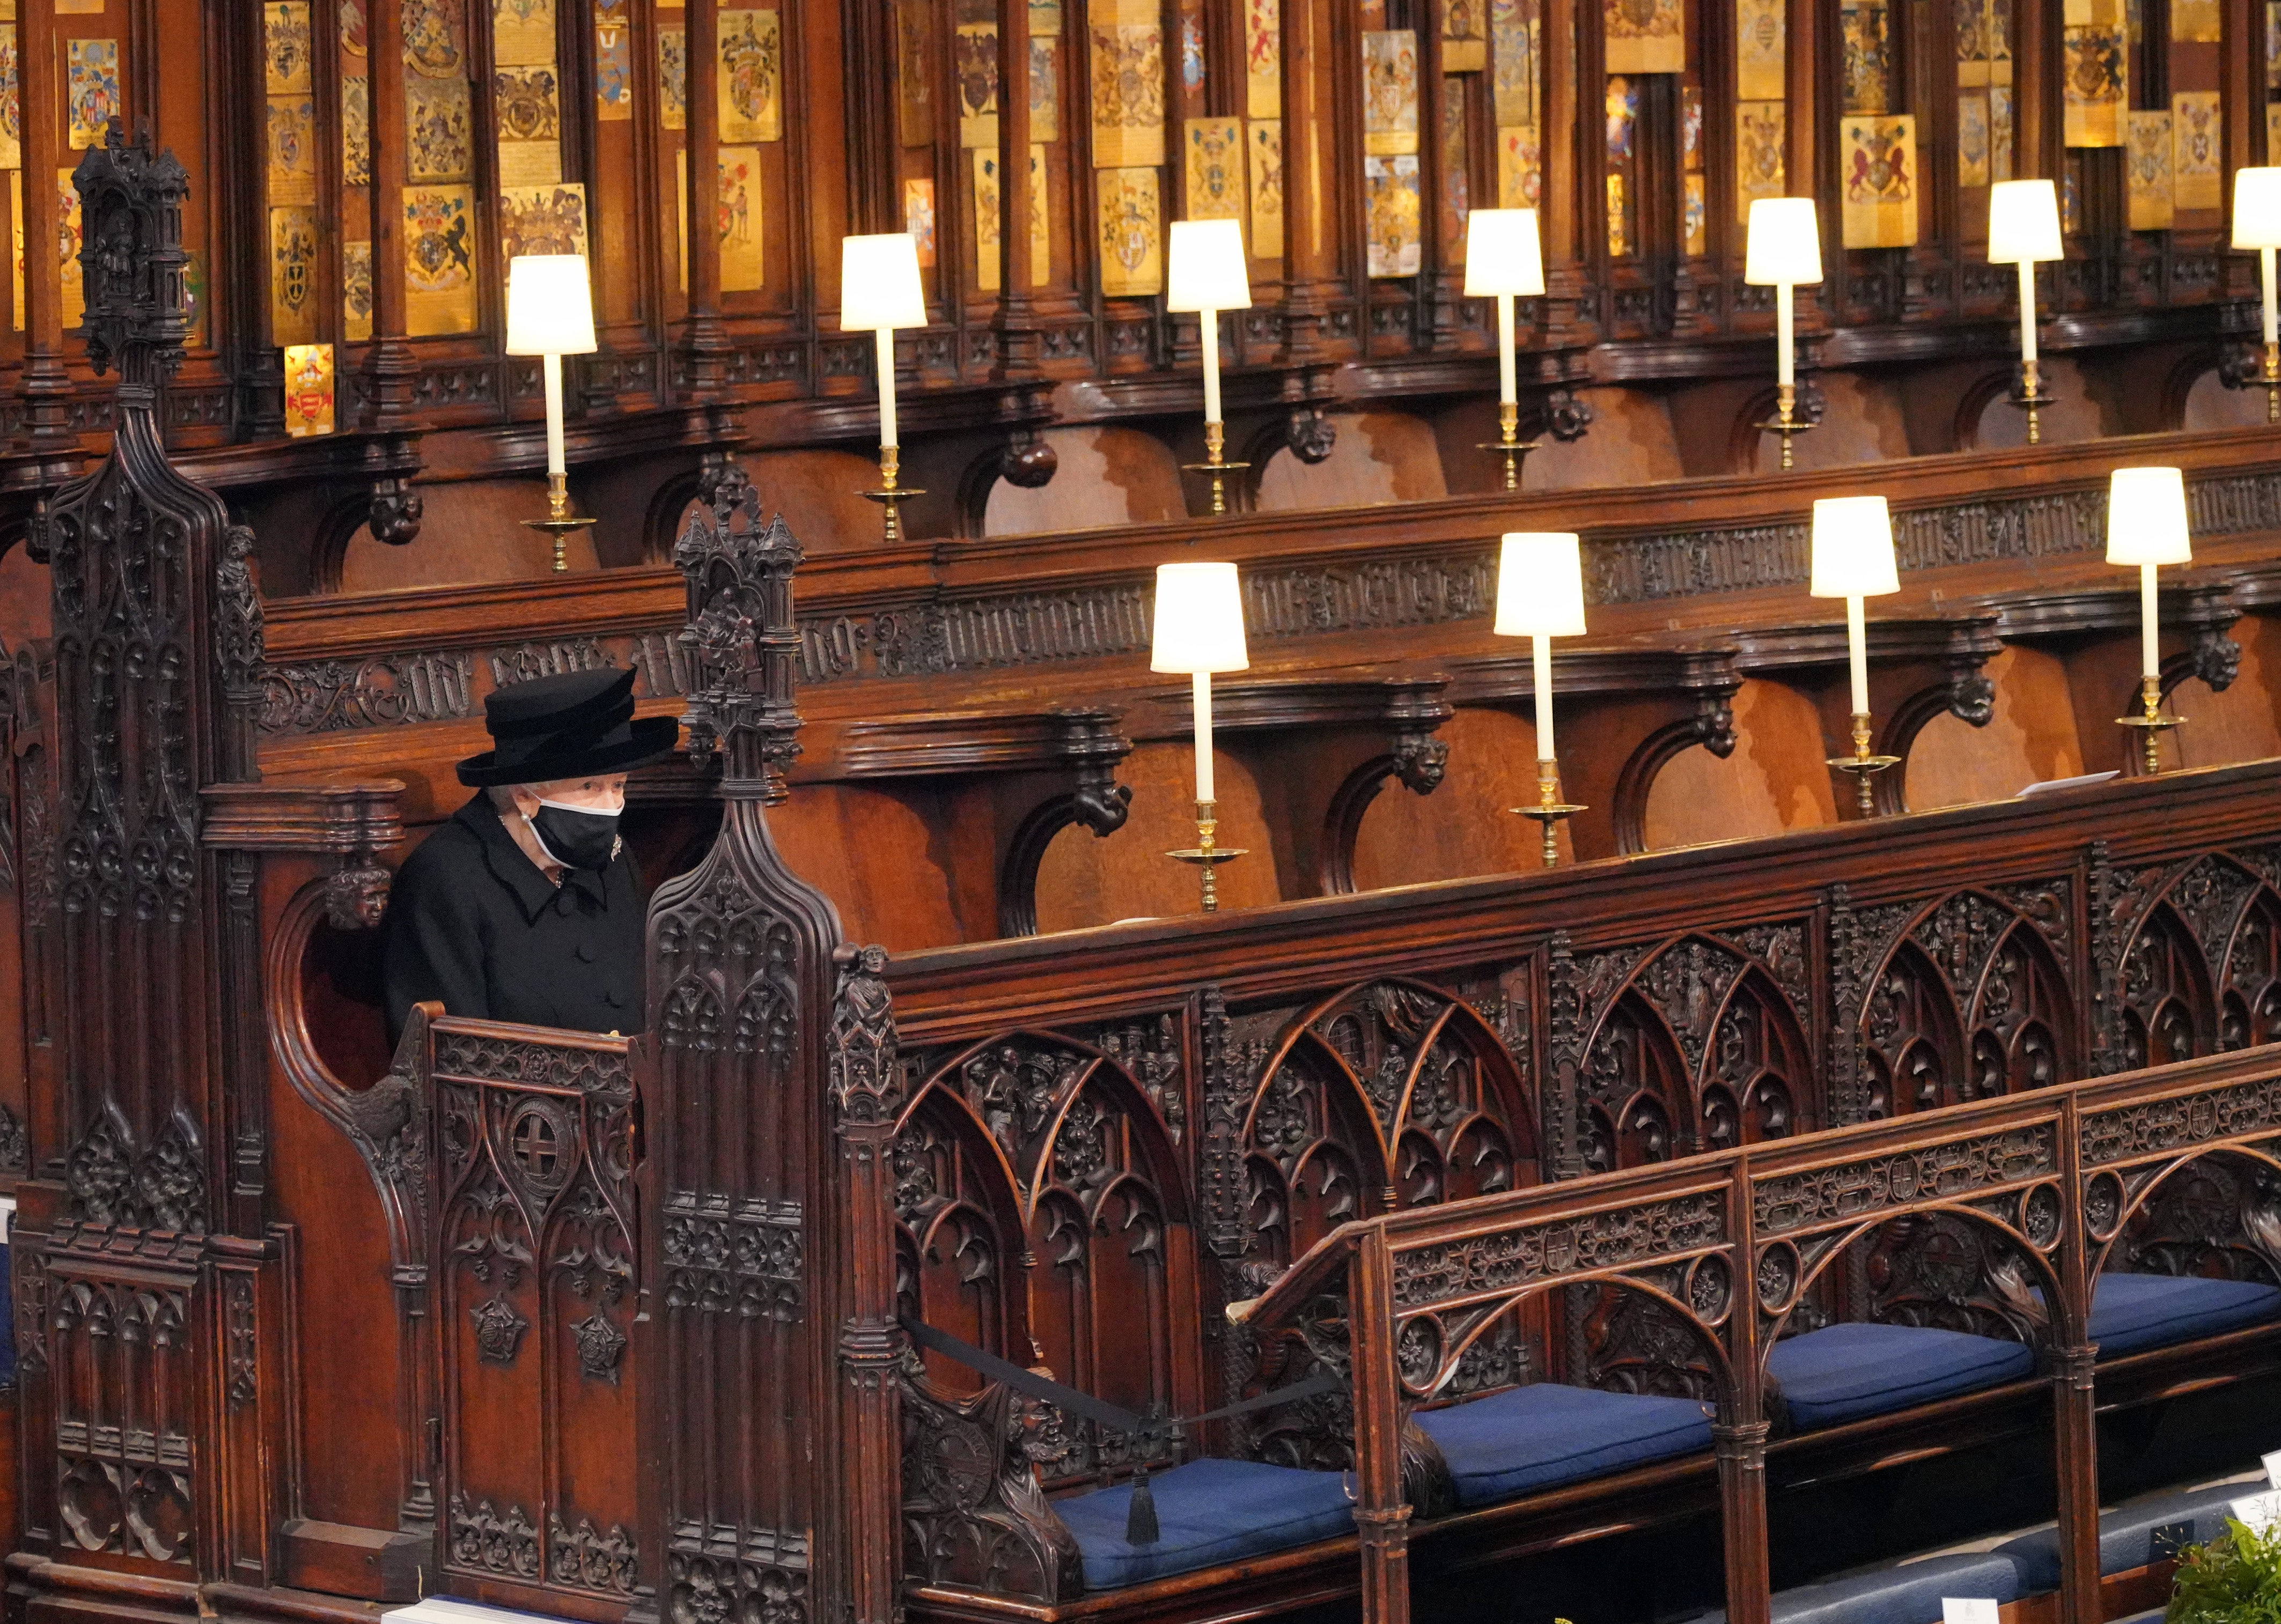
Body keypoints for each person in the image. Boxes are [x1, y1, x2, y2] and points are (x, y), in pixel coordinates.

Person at [382, 667, 678, 1043]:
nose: (612, 806)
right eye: (590, 786)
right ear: (524, 795)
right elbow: (444, 1062)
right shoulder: (445, 880)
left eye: (618, 784)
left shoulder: (615, 860)